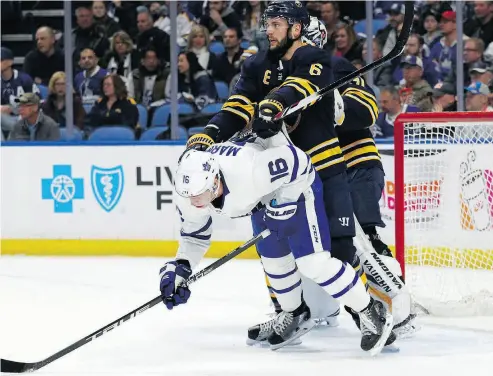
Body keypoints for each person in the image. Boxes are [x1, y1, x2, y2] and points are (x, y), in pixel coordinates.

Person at [183, 1, 396, 347]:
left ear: (299, 30)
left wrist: (321, 108)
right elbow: (237, 105)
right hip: (277, 175)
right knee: (273, 249)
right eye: (268, 24)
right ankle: (290, 311)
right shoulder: (258, 65)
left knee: (340, 251)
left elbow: (325, 93)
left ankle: (368, 315)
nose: (268, 30)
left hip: (323, 169)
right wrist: (213, 131)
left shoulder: (326, 62)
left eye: (276, 24)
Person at [161, 132, 394, 354]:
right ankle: (294, 314)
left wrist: (286, 201)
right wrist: (180, 268)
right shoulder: (190, 192)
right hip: (262, 201)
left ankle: (371, 311)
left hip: (298, 188)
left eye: (200, 194)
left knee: (313, 263)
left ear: (214, 180)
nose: (195, 201)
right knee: (274, 261)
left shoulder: (250, 171)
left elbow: (299, 161)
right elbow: (194, 236)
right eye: (190, 195)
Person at [1, 47, 38, 137]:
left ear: (10, 62)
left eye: (1, 60)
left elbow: (37, 100)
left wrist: (12, 107)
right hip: (4, 119)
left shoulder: (24, 79)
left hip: (24, 118)